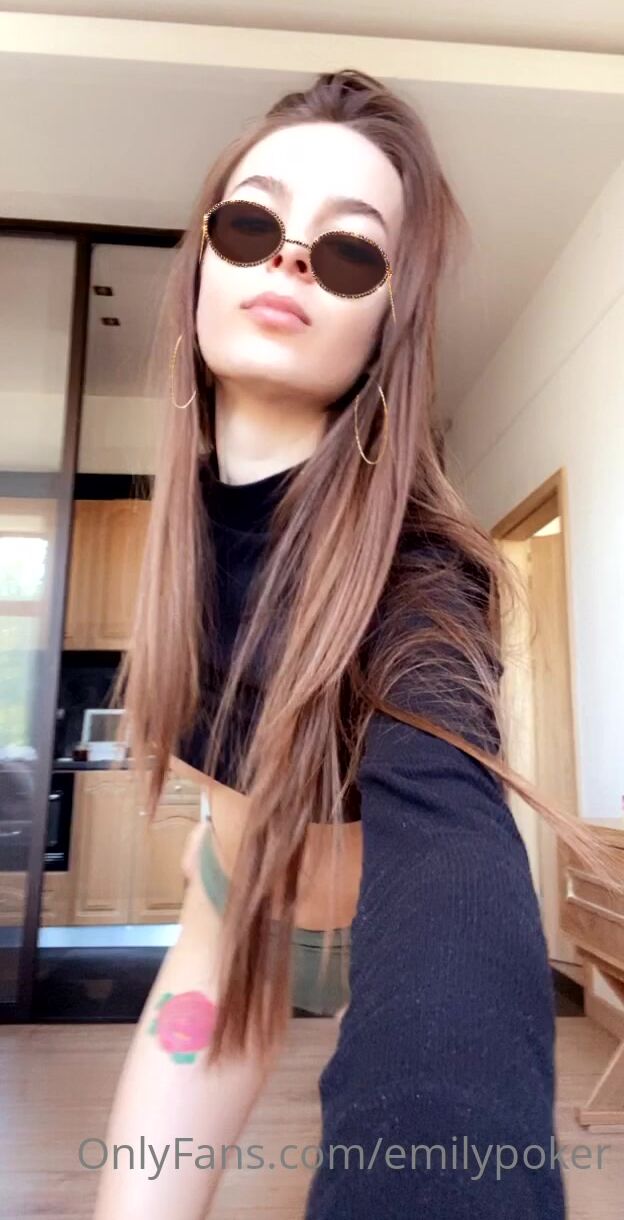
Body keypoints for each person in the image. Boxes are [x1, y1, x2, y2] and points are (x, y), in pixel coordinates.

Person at [92, 69, 619, 1219]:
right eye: (253, 223)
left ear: (388, 324)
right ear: (201, 271)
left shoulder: (419, 581)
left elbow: (454, 848)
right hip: (234, 900)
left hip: (371, 923)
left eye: (348, 250)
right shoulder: (183, 536)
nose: (290, 255)